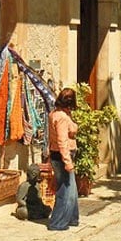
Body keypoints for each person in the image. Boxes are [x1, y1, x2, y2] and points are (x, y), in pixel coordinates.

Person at [47, 88, 80, 231]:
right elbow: (62, 141)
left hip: (57, 155)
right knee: (66, 191)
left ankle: (72, 218)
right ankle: (58, 222)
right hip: (62, 156)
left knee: (70, 189)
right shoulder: (61, 117)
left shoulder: (56, 114)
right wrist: (67, 162)